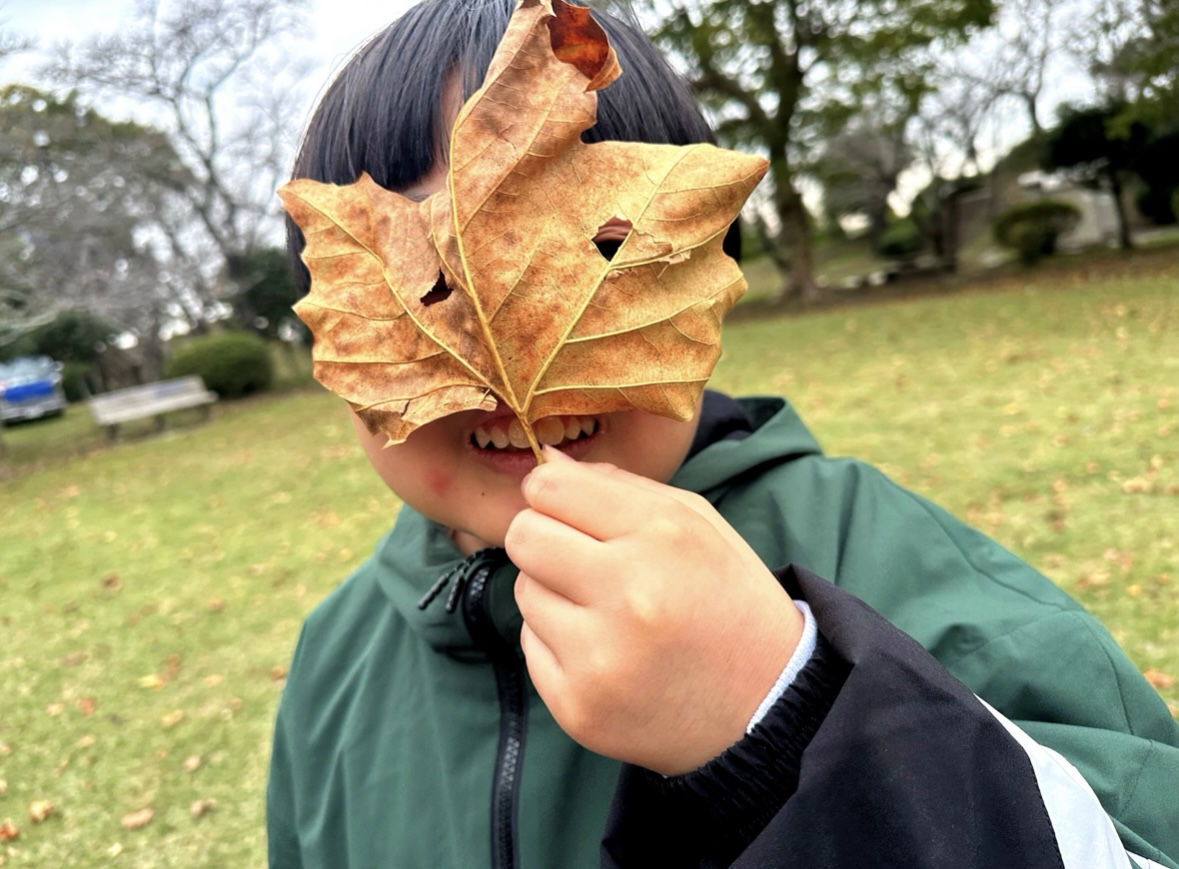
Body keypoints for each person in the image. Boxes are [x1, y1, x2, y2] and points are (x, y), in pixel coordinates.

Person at [267, 0, 1179, 866]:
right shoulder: (332, 662)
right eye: (428, 284)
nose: (512, 364)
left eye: (598, 251)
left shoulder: (889, 562)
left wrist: (787, 714)